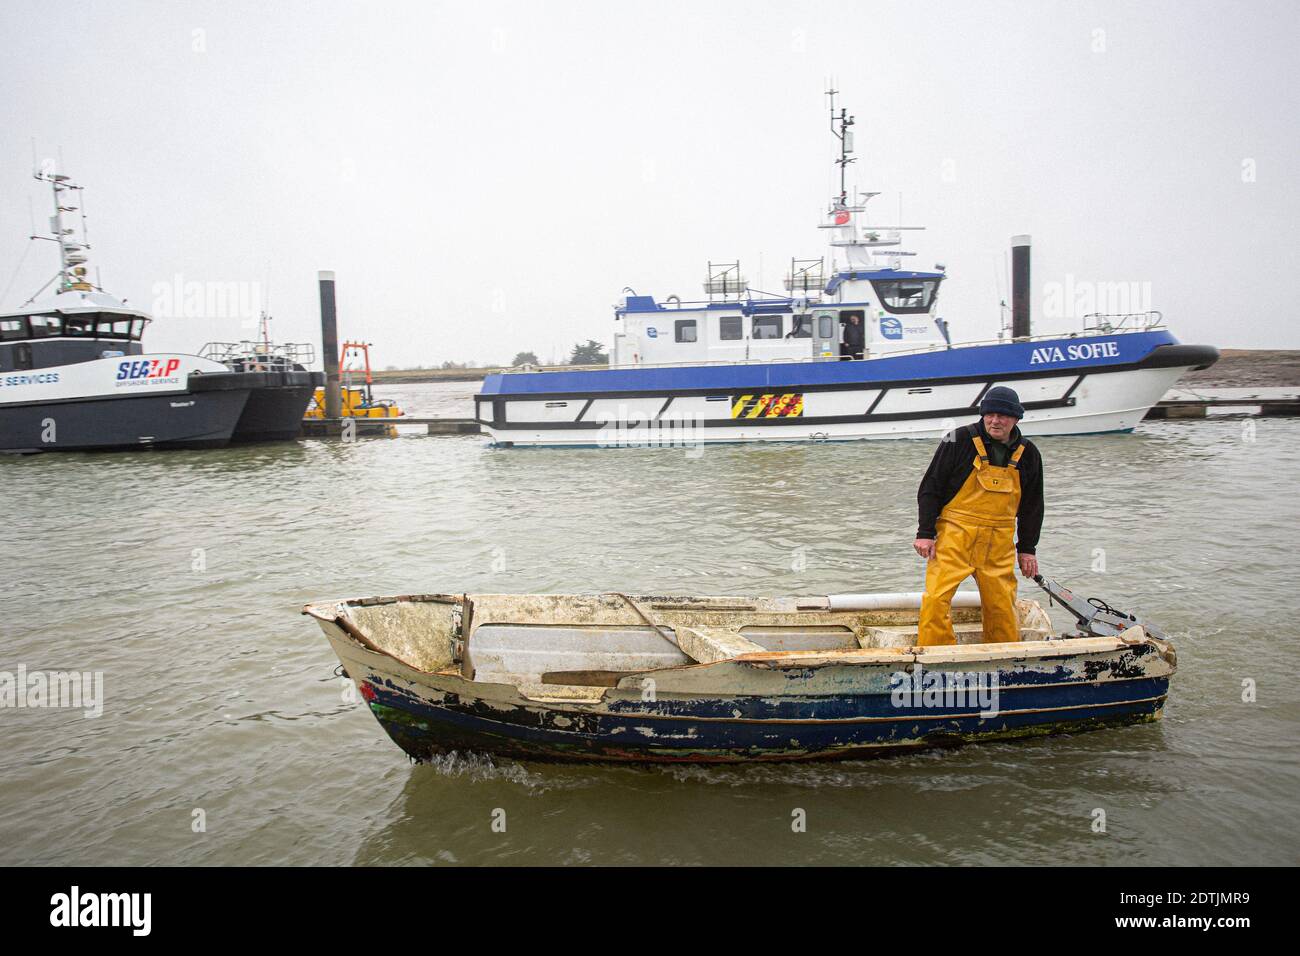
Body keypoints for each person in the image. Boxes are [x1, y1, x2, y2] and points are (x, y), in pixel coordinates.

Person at [912, 386, 1043, 646]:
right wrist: (925, 533)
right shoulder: (958, 440)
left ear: (1016, 419)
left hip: (999, 543)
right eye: (990, 414)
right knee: (936, 599)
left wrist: (1027, 549)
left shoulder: (1029, 454)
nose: (995, 421)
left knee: (1002, 605)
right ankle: (936, 657)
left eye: (1003, 416)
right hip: (955, 536)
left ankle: (1004, 658)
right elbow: (931, 487)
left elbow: (1032, 505)